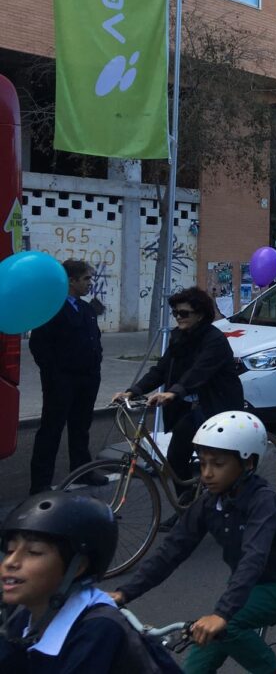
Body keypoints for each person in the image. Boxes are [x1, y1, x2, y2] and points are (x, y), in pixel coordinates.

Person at [109, 411, 276, 674]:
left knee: (230, 626)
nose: (207, 474)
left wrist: (222, 614)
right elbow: (171, 551)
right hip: (243, 591)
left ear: (247, 464)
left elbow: (253, 558)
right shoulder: (209, 502)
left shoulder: (263, 501)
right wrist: (125, 593)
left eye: (218, 464)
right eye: (202, 464)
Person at [0, 490, 178, 673]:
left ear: (77, 567)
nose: (11, 562)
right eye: (10, 550)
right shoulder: (26, 621)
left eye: (34, 552)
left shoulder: (99, 630)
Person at [116, 287, 242, 512]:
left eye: (184, 313)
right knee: (175, 457)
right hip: (189, 407)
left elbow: (200, 371)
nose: (179, 318)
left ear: (200, 314)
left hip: (215, 406)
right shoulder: (178, 337)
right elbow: (161, 369)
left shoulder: (214, 340)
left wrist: (174, 392)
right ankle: (188, 510)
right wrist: (132, 391)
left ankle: (230, 505)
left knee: (214, 460)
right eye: (176, 313)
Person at [28, 260, 105, 494]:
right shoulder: (51, 308)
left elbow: (94, 339)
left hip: (87, 378)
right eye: (86, 279)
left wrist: (95, 364)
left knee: (81, 427)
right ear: (71, 281)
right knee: (51, 430)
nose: (90, 283)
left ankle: (82, 469)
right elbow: (39, 346)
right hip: (61, 381)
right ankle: (40, 483)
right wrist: (55, 373)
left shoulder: (86, 308)